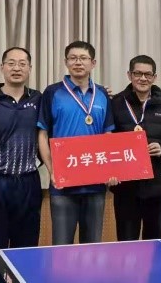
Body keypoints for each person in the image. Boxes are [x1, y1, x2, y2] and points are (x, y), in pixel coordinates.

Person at [37, 40, 115, 245]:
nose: (78, 62)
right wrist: (52, 170)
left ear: (93, 63)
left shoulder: (102, 94)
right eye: (73, 58)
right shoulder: (52, 92)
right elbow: (42, 134)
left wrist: (110, 169)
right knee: (62, 246)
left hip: (96, 184)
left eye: (83, 58)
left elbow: (108, 134)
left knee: (92, 247)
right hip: (63, 183)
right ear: (66, 62)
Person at [0, 47, 43, 283]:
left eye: (22, 64)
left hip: (28, 182)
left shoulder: (39, 99)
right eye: (11, 63)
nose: (17, 68)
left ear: (30, 68)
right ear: (2, 67)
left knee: (26, 246)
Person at [110, 54, 161, 241]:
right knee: (126, 243)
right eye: (138, 73)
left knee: (155, 241)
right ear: (129, 75)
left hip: (156, 187)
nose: (143, 78)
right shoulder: (115, 103)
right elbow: (105, 140)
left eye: (148, 74)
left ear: (154, 77)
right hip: (125, 188)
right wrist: (110, 171)